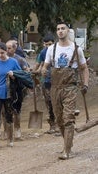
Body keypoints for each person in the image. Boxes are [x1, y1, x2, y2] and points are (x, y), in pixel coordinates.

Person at [42, 22, 89, 160]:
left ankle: (66, 150)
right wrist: (44, 70)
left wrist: (85, 84)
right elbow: (45, 65)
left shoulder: (76, 49)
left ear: (68, 31)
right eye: (58, 29)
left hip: (70, 87)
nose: (60, 31)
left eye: (63, 29)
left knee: (68, 118)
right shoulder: (52, 49)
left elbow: (84, 68)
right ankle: (67, 142)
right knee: (59, 119)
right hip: (55, 87)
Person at [6, 40, 29, 139]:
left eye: (9, 48)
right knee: (5, 110)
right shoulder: (2, 59)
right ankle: (6, 130)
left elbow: (26, 72)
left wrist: (16, 75)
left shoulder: (20, 60)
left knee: (16, 109)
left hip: (17, 88)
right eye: (5, 48)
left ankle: (17, 129)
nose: (7, 50)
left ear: (14, 49)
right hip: (5, 88)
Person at [33, 34, 56, 134]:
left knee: (58, 102)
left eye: (50, 44)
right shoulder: (42, 53)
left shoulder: (58, 51)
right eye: (46, 44)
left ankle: (61, 123)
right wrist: (33, 72)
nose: (48, 46)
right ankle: (52, 125)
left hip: (57, 81)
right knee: (49, 103)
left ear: (54, 43)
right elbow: (38, 65)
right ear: (43, 44)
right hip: (46, 81)